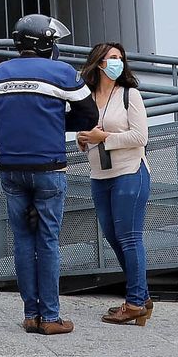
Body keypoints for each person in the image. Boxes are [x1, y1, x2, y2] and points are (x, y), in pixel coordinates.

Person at [0, 14, 97, 335]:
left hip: (10, 169)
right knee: (47, 240)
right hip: (49, 168)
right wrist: (53, 124)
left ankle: (30, 314)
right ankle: (50, 317)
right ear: (46, 44)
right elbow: (89, 115)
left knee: (22, 239)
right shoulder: (62, 72)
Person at [76, 42, 152, 326]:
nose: (117, 62)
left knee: (130, 237)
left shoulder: (129, 95)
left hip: (130, 172)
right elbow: (85, 133)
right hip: (100, 175)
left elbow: (139, 137)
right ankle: (141, 296)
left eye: (120, 58)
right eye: (111, 58)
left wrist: (104, 137)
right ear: (98, 64)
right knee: (113, 235)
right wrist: (83, 139)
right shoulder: (87, 97)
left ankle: (134, 303)